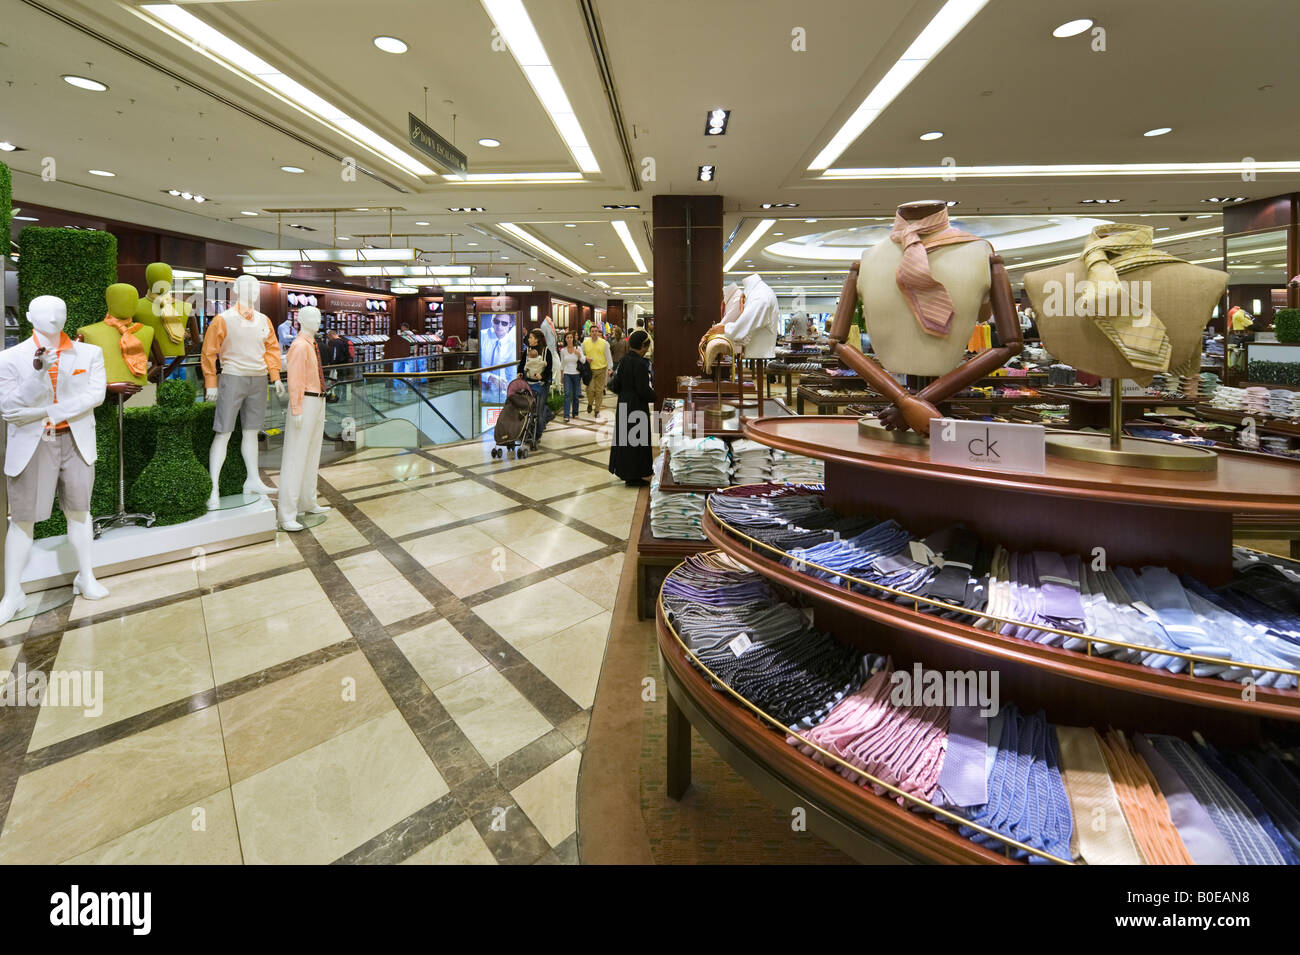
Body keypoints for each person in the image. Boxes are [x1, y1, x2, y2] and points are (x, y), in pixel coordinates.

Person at [608, 329, 656, 486]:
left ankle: (625, 471)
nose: (647, 349)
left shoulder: (624, 360)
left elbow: (616, 384)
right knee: (637, 439)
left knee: (624, 438)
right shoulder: (641, 364)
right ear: (643, 345)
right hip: (636, 404)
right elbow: (643, 389)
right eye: (647, 346)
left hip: (623, 401)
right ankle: (635, 475)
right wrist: (657, 397)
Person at [516, 328, 553, 441]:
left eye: (531, 337)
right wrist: (520, 373)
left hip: (542, 385)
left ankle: (537, 434)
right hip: (529, 384)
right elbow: (522, 365)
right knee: (529, 408)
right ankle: (529, 431)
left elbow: (549, 368)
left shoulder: (546, 352)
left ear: (537, 340)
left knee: (538, 410)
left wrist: (543, 376)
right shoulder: (527, 351)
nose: (529, 339)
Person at [481, 313, 517, 402]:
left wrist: (510, 390)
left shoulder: (512, 343)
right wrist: (490, 378)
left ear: (510, 325)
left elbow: (511, 372)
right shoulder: (482, 336)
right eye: (496, 322)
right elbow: (475, 367)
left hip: (500, 392)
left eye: (504, 323)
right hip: (480, 388)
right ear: (492, 321)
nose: (499, 326)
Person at [582, 323, 613, 417]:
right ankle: (590, 403)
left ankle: (597, 410)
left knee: (599, 391)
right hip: (590, 371)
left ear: (598, 332)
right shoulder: (585, 343)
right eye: (592, 331)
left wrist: (610, 368)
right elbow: (581, 355)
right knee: (590, 390)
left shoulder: (604, 343)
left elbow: (608, 357)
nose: (594, 333)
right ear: (590, 333)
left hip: (601, 369)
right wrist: (586, 358)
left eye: (596, 331)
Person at [558, 330, 586, 423]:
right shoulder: (563, 351)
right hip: (567, 374)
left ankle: (575, 413)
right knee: (567, 394)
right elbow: (562, 363)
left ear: (573, 338)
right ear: (565, 339)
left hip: (576, 374)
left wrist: (578, 354)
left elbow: (583, 361)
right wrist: (561, 376)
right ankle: (566, 415)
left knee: (576, 395)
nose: (569, 339)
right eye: (567, 338)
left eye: (571, 337)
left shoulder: (578, 348)